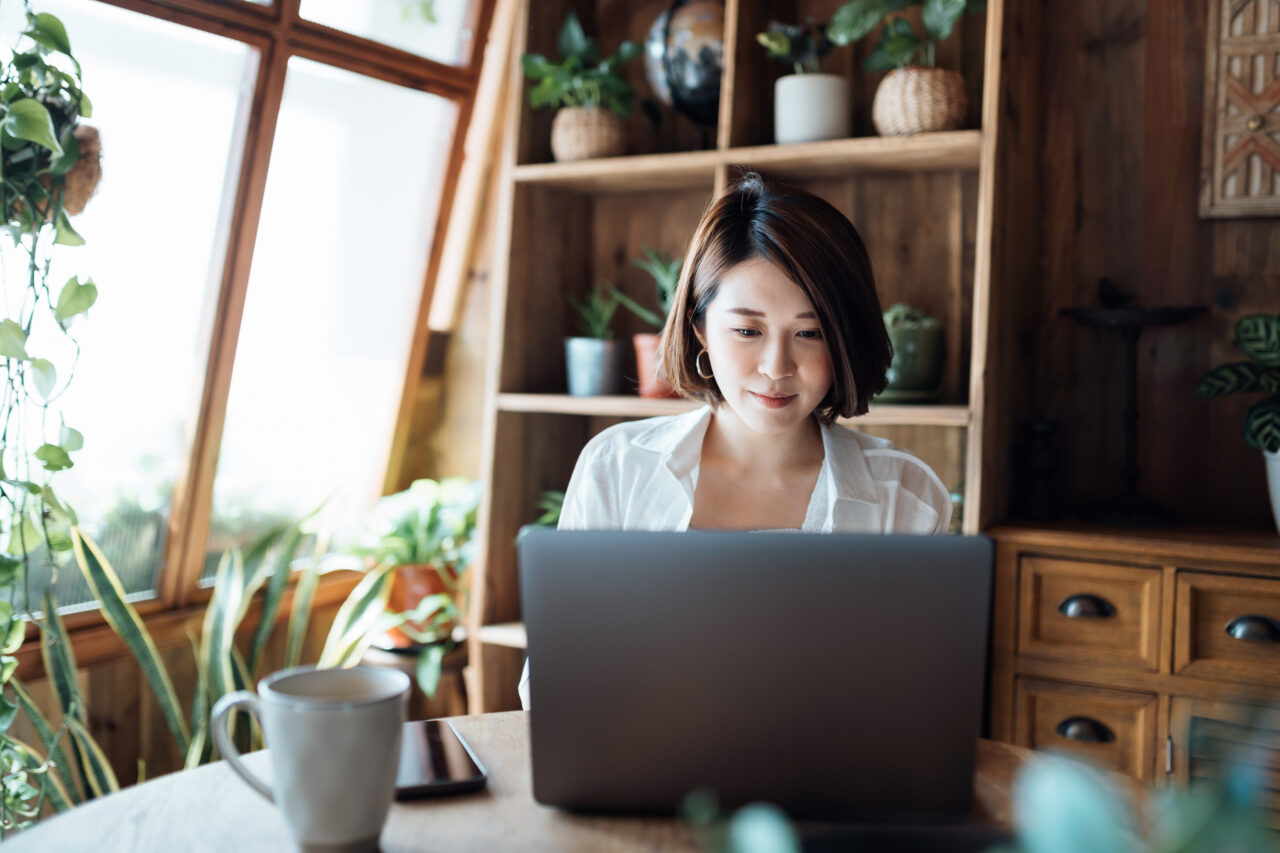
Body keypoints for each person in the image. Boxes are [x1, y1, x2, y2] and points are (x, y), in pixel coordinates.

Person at [518, 171, 952, 708]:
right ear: (700, 328)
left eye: (810, 332)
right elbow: (552, 685)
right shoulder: (618, 466)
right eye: (747, 331)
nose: (777, 367)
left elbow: (919, 704)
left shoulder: (905, 496)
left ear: (846, 337)